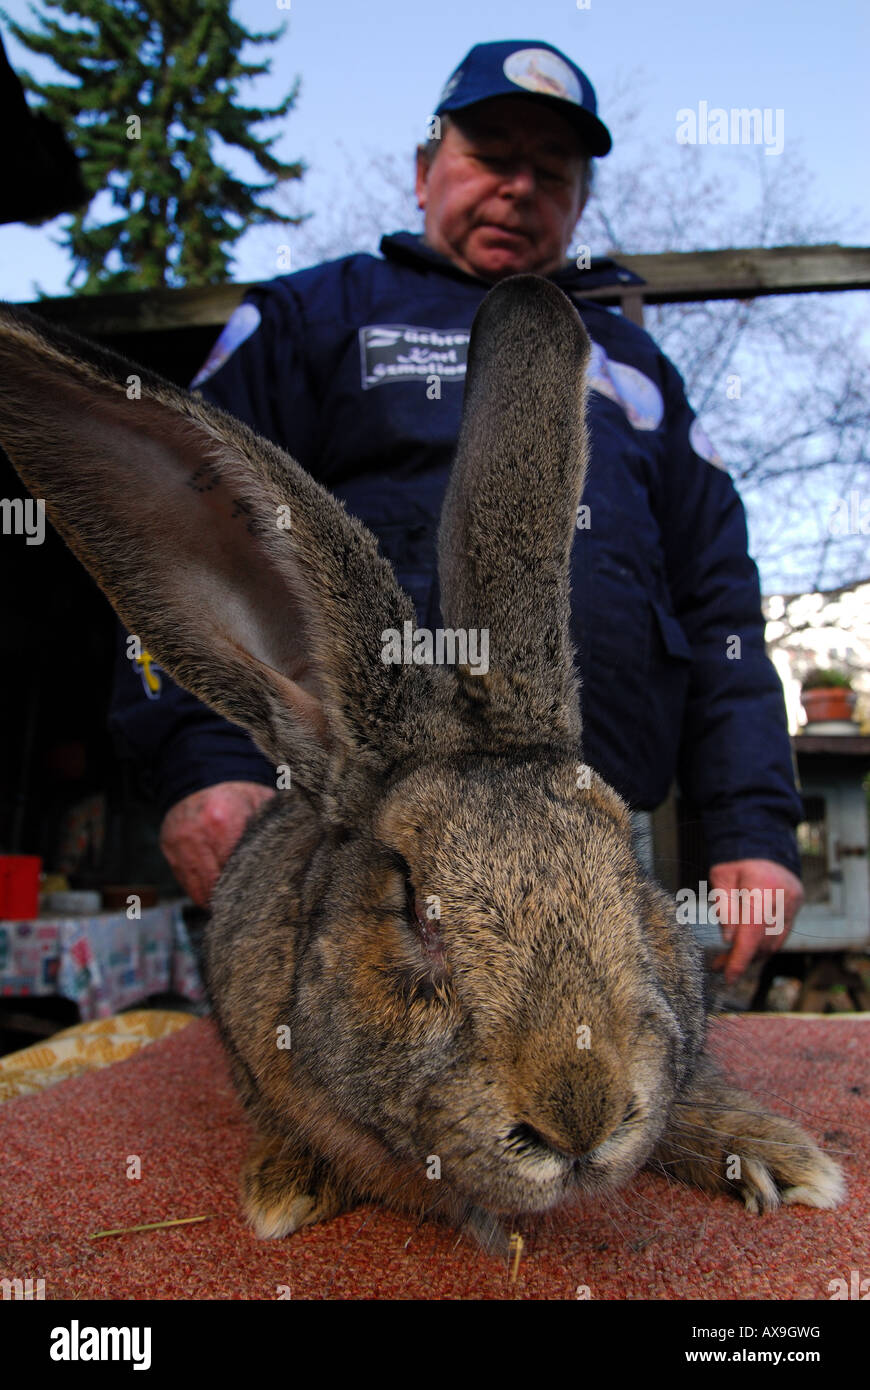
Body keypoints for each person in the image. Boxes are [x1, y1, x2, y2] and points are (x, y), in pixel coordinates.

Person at [109, 39, 805, 983]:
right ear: (424, 172)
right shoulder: (317, 317)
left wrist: (752, 825)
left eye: (551, 171)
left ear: (580, 204)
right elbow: (183, 533)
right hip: (347, 828)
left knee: (598, 1099)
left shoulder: (638, 373)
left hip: (596, 838)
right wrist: (202, 764)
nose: (521, 187)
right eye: (491, 156)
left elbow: (720, 605)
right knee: (331, 1106)